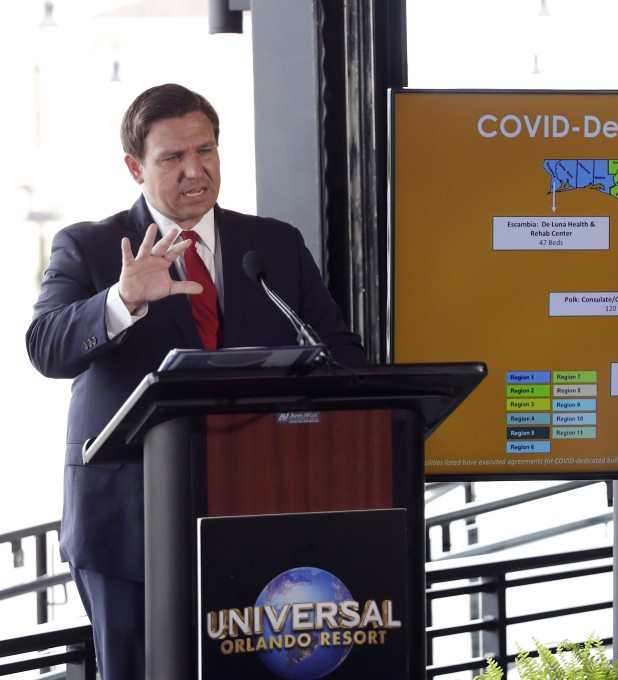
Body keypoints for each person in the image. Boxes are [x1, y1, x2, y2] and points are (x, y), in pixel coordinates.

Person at [25, 83, 368, 679]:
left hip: (261, 509)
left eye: (205, 151)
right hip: (128, 523)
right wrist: (123, 299)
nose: (194, 171)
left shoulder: (273, 246)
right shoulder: (92, 246)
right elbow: (47, 348)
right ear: (135, 167)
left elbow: (340, 355)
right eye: (172, 158)